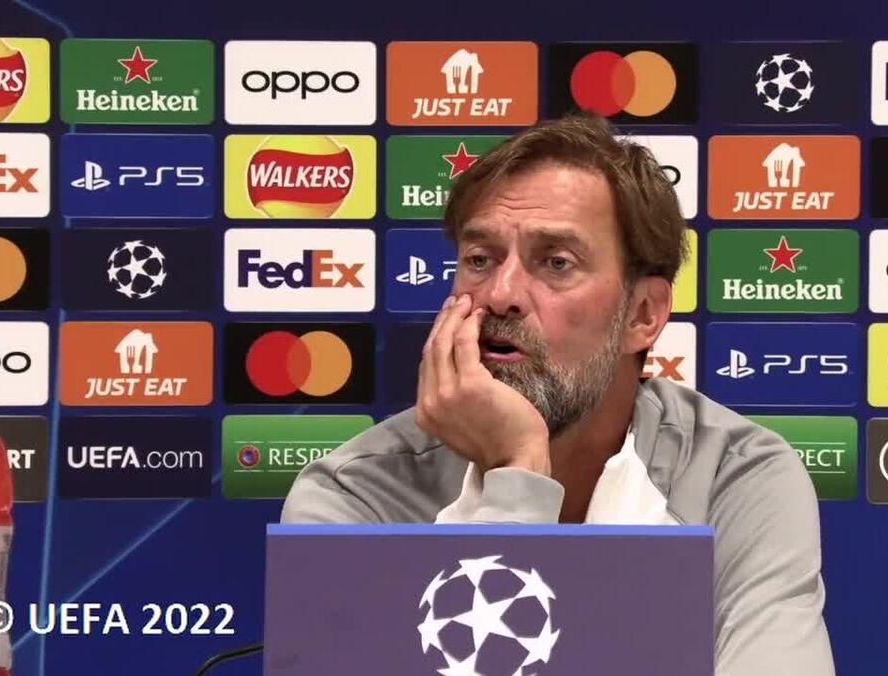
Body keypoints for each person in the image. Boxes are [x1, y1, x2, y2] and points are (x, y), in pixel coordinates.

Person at [281, 110, 836, 675]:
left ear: (643, 314)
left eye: (556, 263)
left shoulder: (733, 477)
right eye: (479, 260)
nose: (500, 294)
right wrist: (517, 475)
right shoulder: (356, 498)